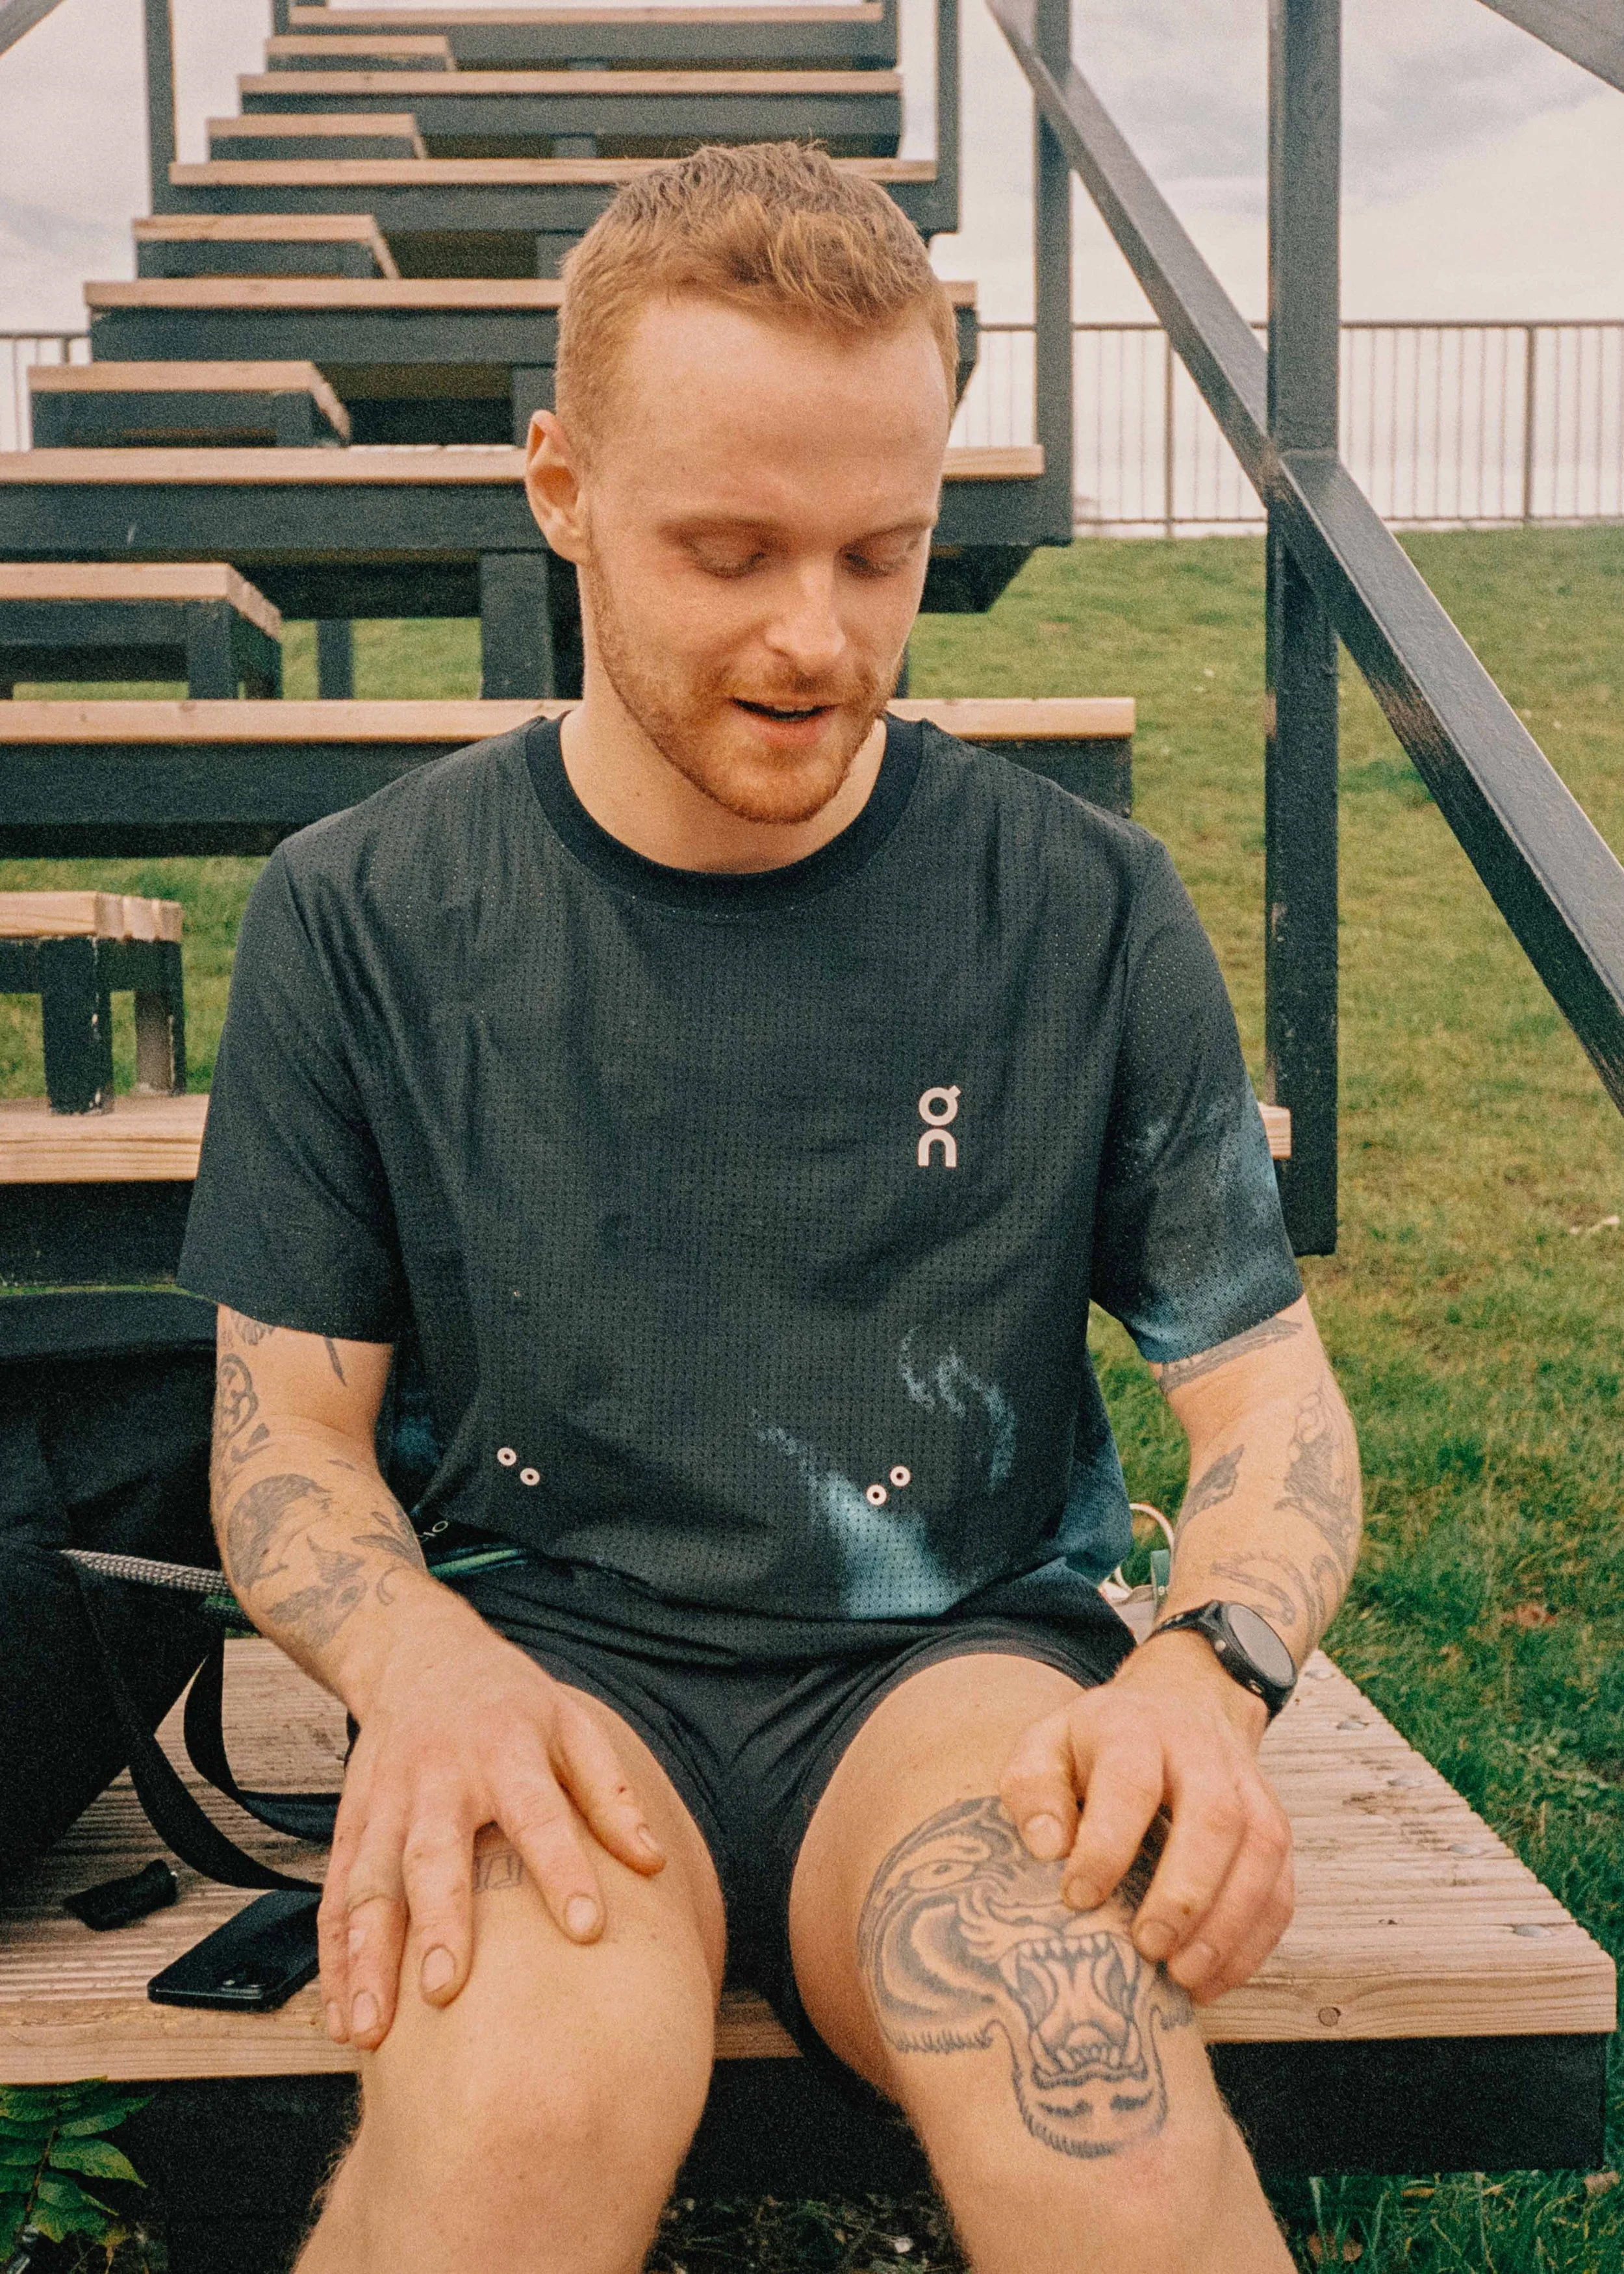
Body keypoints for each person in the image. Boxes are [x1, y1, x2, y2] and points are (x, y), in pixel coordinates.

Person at [179, 142, 1362, 2274]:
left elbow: (1267, 1405)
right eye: (725, 551)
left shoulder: (1074, 907)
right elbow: (286, 1442)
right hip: (548, 1665)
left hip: (948, 1676)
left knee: (1094, 2114)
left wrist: (1206, 1671)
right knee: (506, 2144)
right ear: (560, 489)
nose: (814, 638)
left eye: (877, 553)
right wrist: (414, 1659)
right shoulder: (364, 914)